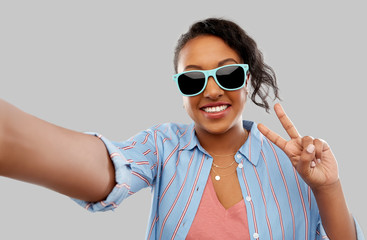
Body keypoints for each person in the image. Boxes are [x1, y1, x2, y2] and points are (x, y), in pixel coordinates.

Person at [0, 18, 364, 240]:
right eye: (193, 79)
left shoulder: (293, 159)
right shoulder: (163, 146)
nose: (211, 90)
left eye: (226, 73)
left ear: (246, 79)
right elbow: (110, 168)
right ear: (179, 87)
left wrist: (327, 186)